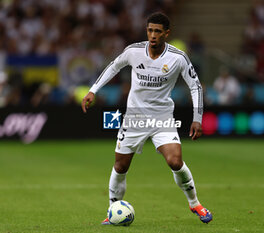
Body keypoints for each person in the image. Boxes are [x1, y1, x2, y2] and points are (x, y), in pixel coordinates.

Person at [82, 12, 212, 224]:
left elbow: (195, 85)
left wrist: (197, 117)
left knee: (175, 161)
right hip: (134, 118)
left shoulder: (177, 58)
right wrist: (93, 90)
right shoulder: (134, 51)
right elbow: (114, 66)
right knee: (121, 166)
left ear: (166, 34)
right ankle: (112, 210)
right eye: (150, 30)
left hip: (162, 119)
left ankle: (195, 203)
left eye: (158, 31)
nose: (153, 35)